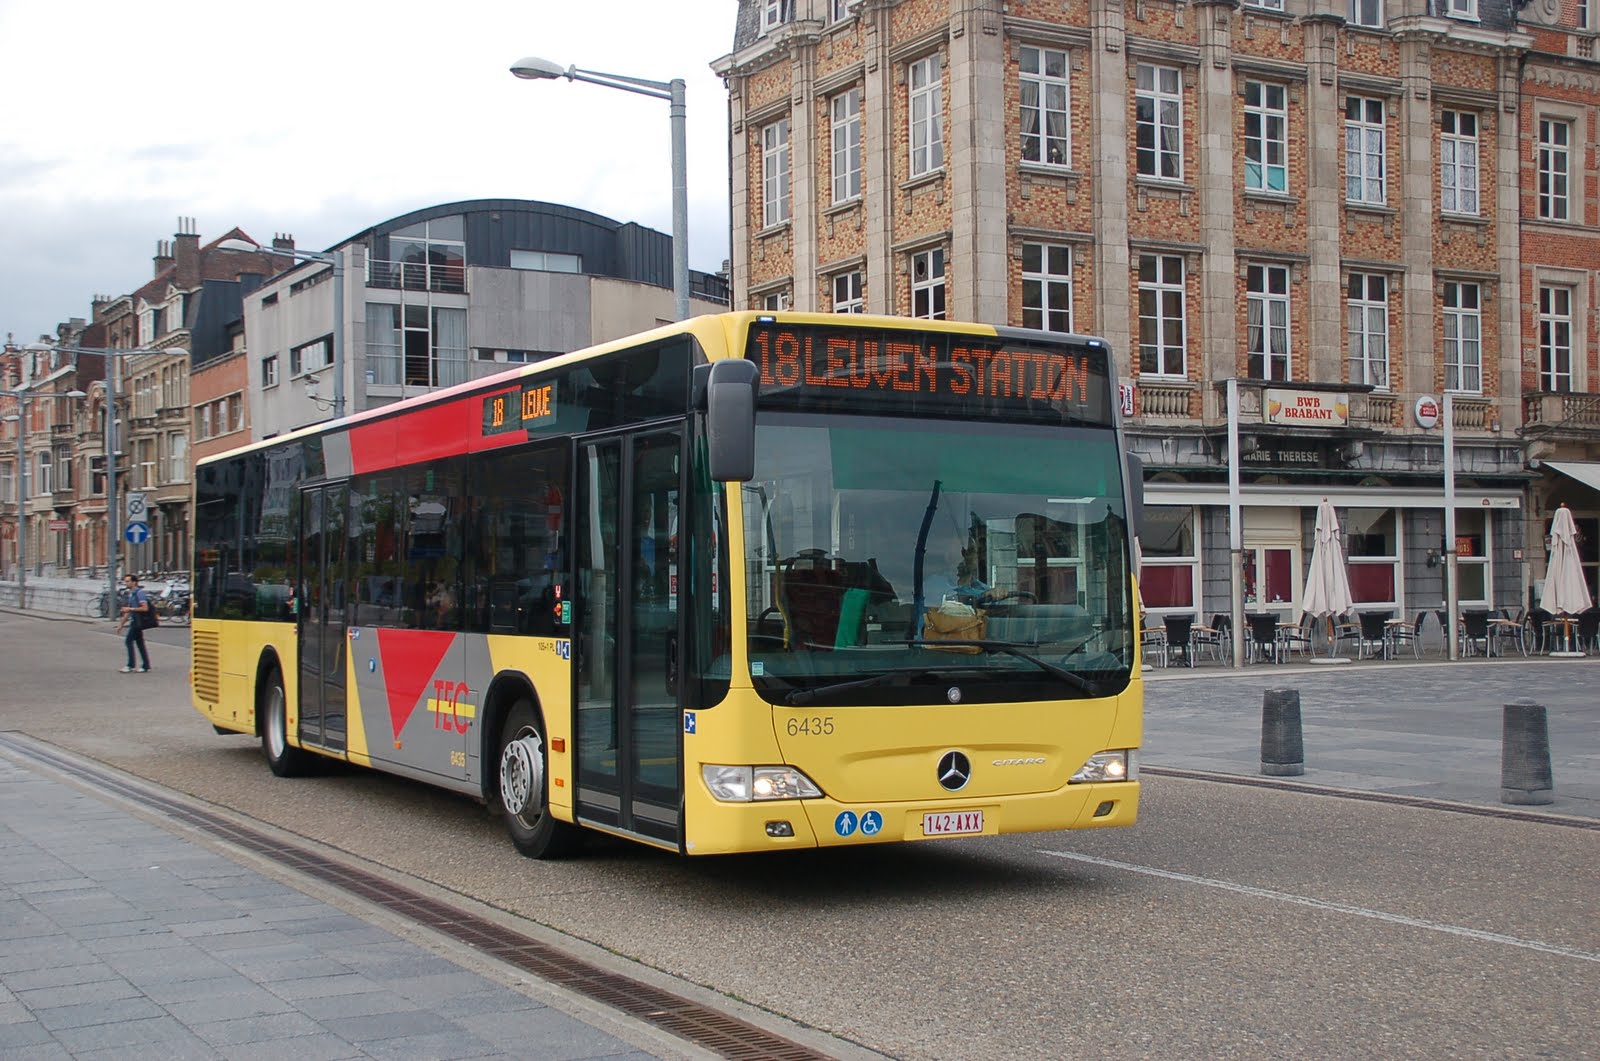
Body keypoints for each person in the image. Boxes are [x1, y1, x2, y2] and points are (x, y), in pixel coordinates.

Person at [117, 574, 152, 673]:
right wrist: (121, 624)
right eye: (125, 581)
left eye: (128, 581)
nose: (126, 583)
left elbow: (145, 608)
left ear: (134, 582)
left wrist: (131, 609)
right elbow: (128, 612)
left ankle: (130, 665)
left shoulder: (139, 593)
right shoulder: (132, 594)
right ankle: (146, 665)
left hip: (137, 621)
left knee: (128, 641)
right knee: (140, 643)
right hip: (135, 621)